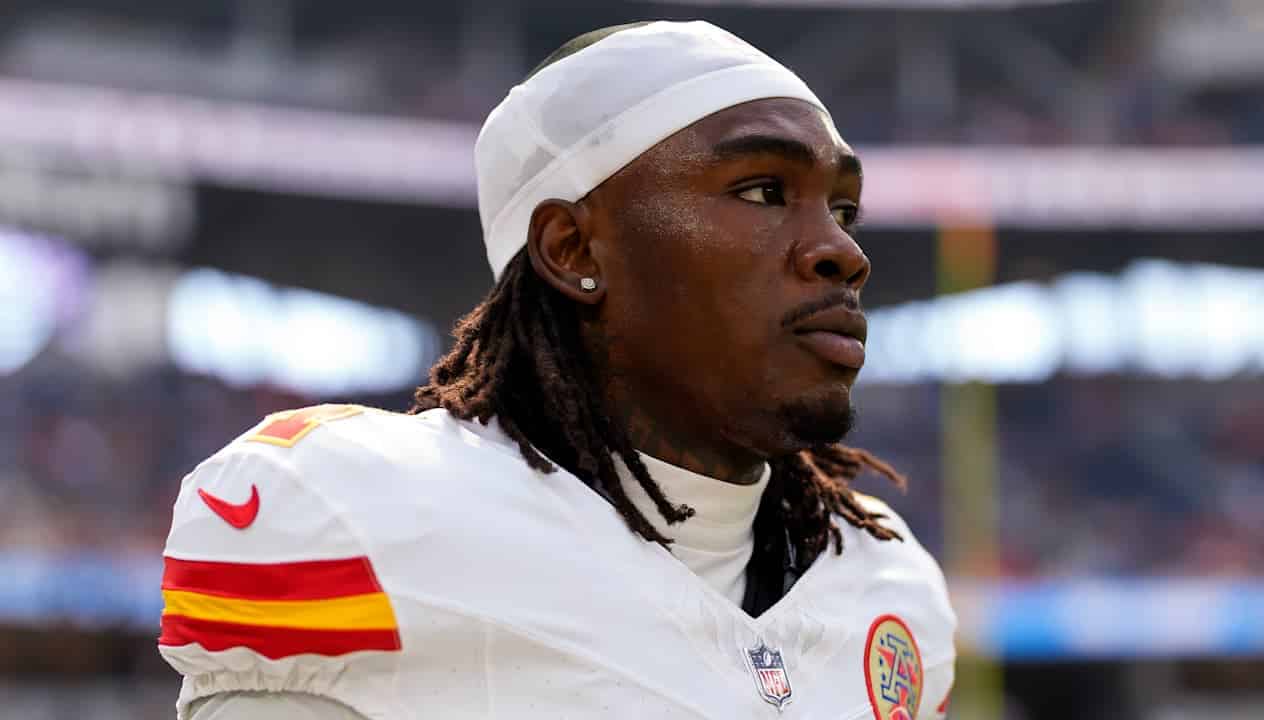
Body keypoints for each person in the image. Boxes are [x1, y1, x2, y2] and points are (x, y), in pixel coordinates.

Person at [158, 20, 956, 720]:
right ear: (572, 249)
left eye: (842, 209)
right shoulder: (361, 518)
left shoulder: (889, 583)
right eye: (761, 191)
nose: (844, 252)